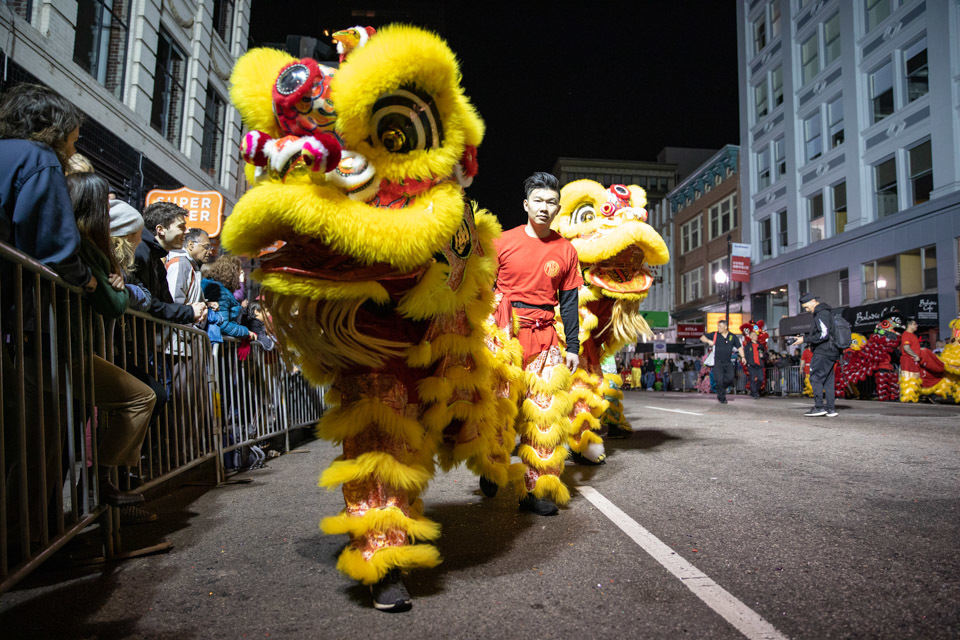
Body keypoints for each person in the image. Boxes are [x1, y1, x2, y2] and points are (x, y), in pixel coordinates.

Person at [66, 172, 157, 506]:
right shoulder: (86, 246)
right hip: (66, 348)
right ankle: (100, 483)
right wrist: (110, 287)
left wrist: (114, 287)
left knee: (49, 449)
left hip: (68, 346)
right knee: (142, 397)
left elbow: (118, 298)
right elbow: (114, 304)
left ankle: (99, 485)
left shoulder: (82, 244)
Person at [493, 171, 581, 516]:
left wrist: (572, 346)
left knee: (545, 417)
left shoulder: (566, 250)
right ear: (526, 204)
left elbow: (570, 302)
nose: (545, 207)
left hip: (546, 338)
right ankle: (493, 468)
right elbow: (483, 291)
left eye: (551, 202)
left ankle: (536, 490)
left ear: (558, 208)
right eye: (539, 201)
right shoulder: (502, 242)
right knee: (499, 413)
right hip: (505, 336)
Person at [133, 201, 207, 324]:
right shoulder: (141, 252)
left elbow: (165, 303)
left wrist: (190, 309)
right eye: (181, 226)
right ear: (160, 229)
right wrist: (189, 311)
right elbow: (148, 304)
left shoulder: (156, 258)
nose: (186, 231)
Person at [793, 293, 840, 417]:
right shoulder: (828, 313)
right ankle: (830, 409)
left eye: (807, 307)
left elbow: (823, 334)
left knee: (815, 378)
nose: (807, 310)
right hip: (832, 351)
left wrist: (805, 339)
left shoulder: (821, 314)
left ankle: (819, 407)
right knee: (829, 380)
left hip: (823, 351)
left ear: (813, 301)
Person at [165, 228, 213, 307]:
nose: (210, 252)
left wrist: (206, 304)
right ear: (191, 245)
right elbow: (175, 300)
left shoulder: (192, 265)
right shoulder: (180, 263)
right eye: (206, 247)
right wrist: (189, 312)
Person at [700, 319, 742, 403]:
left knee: (730, 379)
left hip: (728, 362)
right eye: (718, 326)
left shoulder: (732, 336)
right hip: (718, 362)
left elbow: (739, 347)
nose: (718, 328)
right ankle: (722, 397)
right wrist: (708, 341)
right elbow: (702, 337)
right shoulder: (715, 334)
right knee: (719, 380)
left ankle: (721, 389)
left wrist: (743, 357)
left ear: (725, 327)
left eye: (720, 326)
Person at [740, 325, 765, 399]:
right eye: (753, 335)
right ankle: (754, 393)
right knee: (752, 379)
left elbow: (764, 354)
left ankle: (754, 390)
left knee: (760, 379)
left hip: (759, 365)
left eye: (756, 335)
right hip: (751, 365)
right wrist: (747, 362)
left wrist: (762, 355)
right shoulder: (748, 346)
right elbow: (745, 355)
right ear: (750, 337)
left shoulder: (760, 345)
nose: (755, 336)